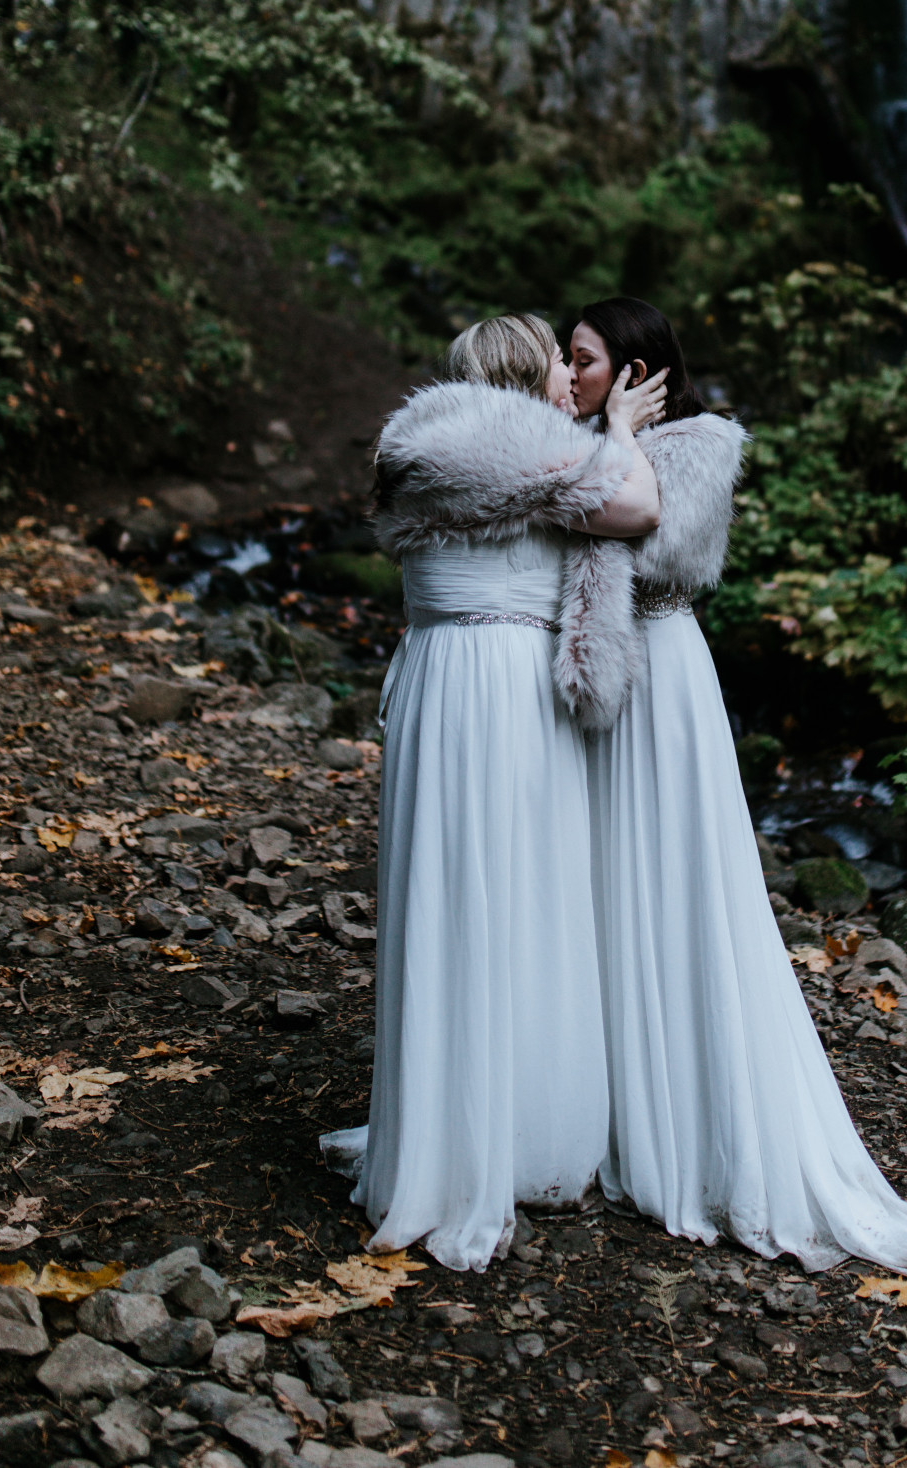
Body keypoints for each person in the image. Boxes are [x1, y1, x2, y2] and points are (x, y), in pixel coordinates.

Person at [568, 297, 907, 1271]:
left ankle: (698, 1123)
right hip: (605, 679)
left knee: (679, 886)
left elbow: (663, 551)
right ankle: (601, 1101)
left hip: (661, 677)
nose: (571, 376)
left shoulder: (700, 445)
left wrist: (606, 459)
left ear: (636, 370)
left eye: (584, 359)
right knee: (601, 886)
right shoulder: (578, 433)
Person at [325, 312, 666, 1271]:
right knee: (527, 895)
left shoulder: (416, 446)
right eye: (558, 358)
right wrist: (625, 433)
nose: (571, 372)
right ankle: (521, 1138)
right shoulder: (529, 449)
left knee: (445, 895)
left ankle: (438, 1130)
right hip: (506, 687)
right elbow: (637, 512)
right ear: (526, 370)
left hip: (436, 679)